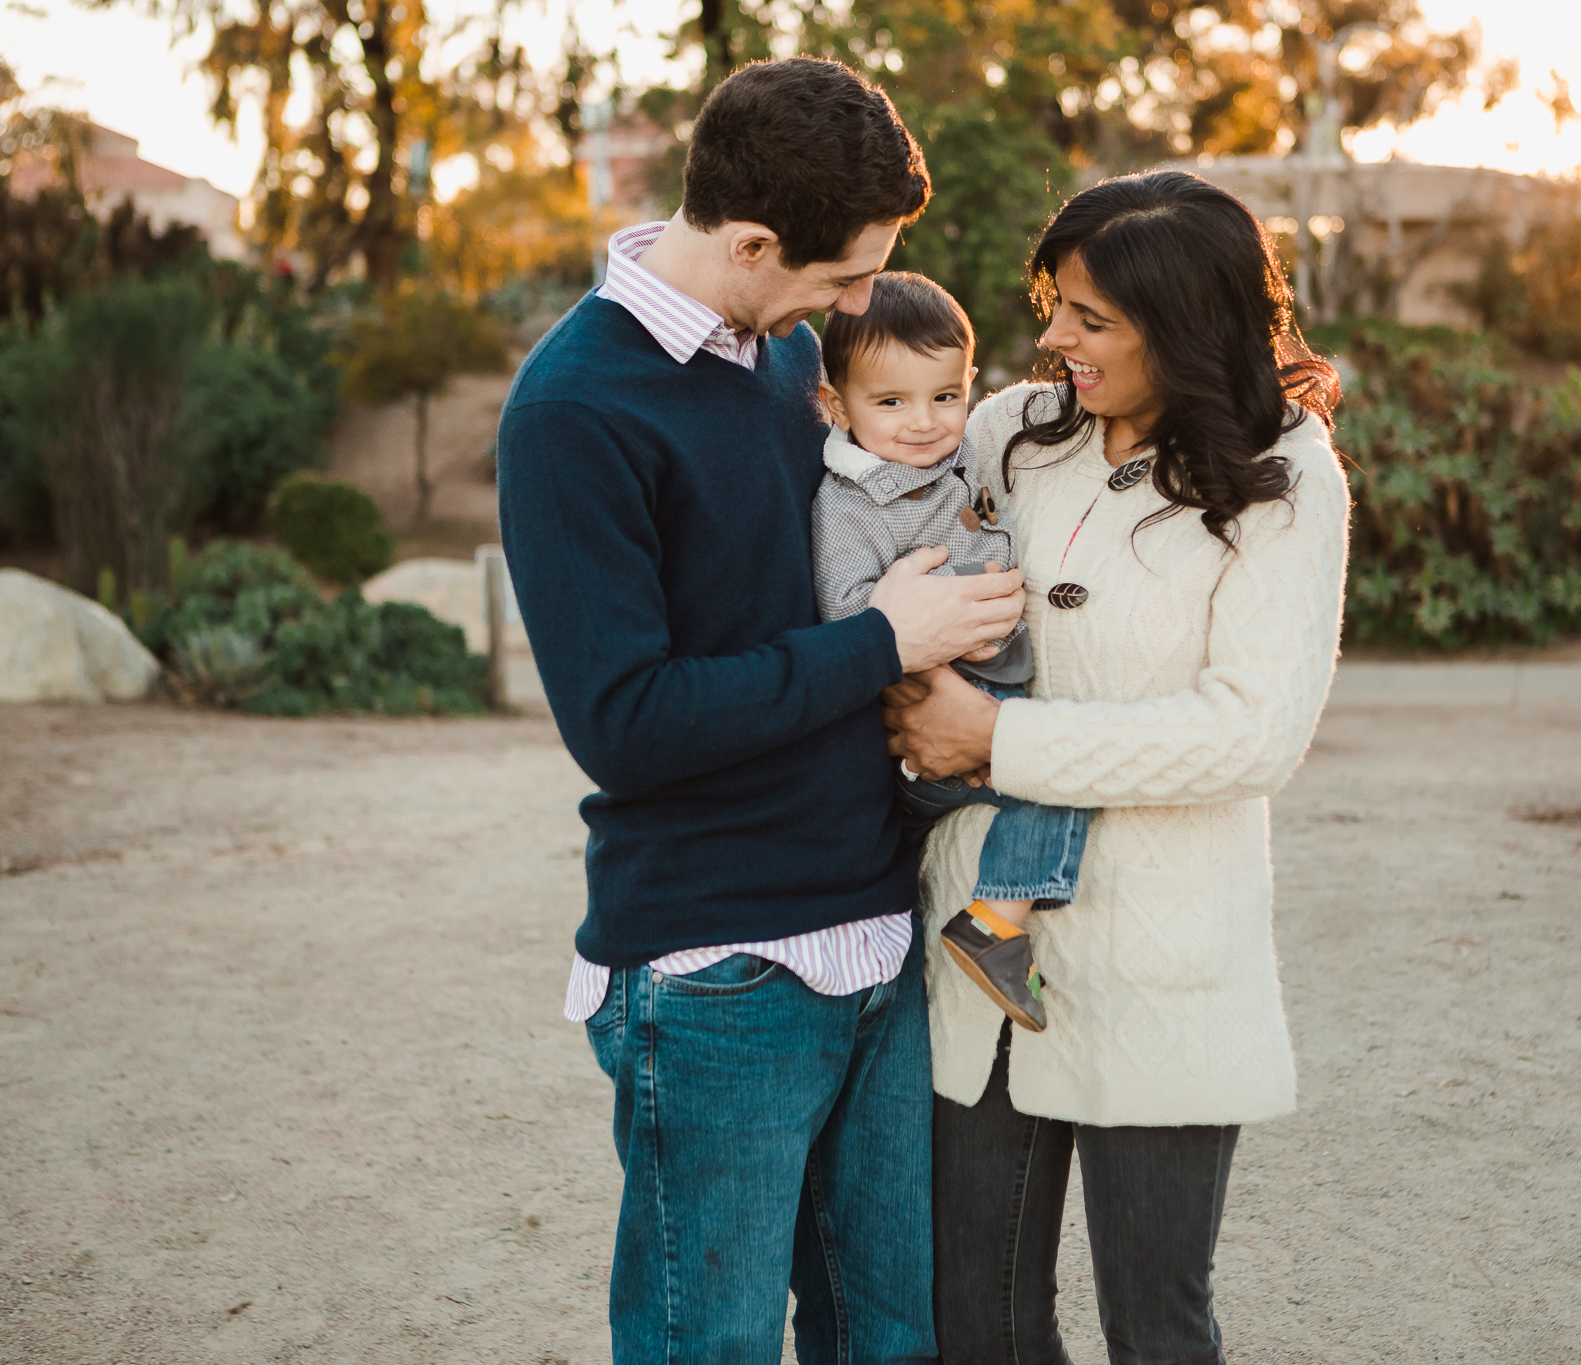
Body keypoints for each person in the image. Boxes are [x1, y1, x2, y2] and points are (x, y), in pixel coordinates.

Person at [494, 58, 1022, 1365]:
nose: (860, 307)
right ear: (748, 241)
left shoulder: (795, 359)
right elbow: (630, 721)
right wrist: (881, 642)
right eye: (846, 277)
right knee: (707, 1349)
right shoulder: (573, 412)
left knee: (896, 1340)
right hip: (721, 971)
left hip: (879, 937)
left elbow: (930, 464)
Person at [882, 170, 1348, 1363]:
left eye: (1089, 318)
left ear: (1183, 323)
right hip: (981, 964)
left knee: (1155, 1327)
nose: (1052, 339)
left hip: (1161, 963)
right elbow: (871, 466)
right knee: (974, 1326)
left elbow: (1252, 730)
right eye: (1055, 305)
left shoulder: (1283, 477)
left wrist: (996, 742)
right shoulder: (1013, 437)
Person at [809, 271, 1095, 1035]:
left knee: (1051, 754)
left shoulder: (963, 455)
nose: (924, 422)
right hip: (929, 714)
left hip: (989, 686)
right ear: (835, 406)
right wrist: (939, 678)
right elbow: (849, 618)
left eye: (944, 395)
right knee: (1056, 770)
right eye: (891, 402)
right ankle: (997, 919)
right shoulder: (853, 504)